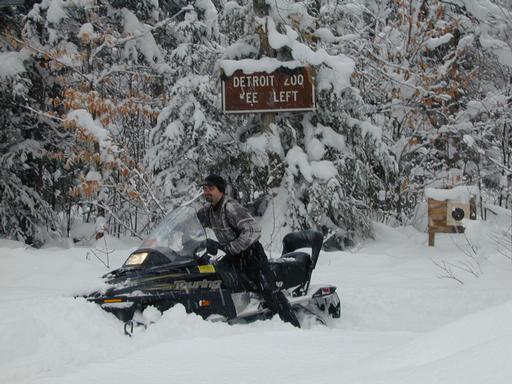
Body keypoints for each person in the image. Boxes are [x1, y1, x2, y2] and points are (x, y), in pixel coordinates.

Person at [197, 174, 301, 328]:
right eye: (204, 189)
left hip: (252, 256)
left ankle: (292, 325)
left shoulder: (230, 207)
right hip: (233, 256)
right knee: (215, 277)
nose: (206, 192)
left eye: (210, 188)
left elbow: (254, 230)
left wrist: (232, 247)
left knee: (268, 289)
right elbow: (192, 223)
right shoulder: (208, 210)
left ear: (221, 190)